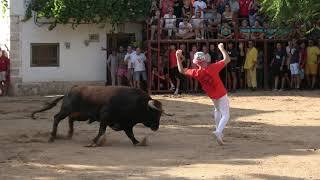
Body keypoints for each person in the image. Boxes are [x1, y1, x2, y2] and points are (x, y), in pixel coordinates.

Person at [175, 43, 231, 145]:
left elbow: (181, 70)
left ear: (196, 63)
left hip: (212, 95)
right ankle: (218, 131)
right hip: (221, 93)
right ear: (205, 60)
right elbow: (227, 59)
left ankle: (218, 131)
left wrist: (177, 57)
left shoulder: (196, 72)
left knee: (217, 110)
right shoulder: (213, 67)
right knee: (226, 114)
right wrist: (221, 48)